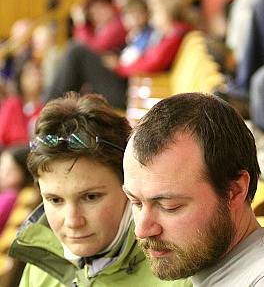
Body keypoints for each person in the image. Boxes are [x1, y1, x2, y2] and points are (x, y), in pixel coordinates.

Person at [122, 92, 264, 286]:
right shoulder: (206, 264)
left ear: (235, 191)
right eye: (135, 202)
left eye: (169, 206)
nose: (142, 229)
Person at [9, 92, 191, 287]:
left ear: (129, 189)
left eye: (91, 197)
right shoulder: (40, 266)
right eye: (55, 200)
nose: (73, 221)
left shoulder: (179, 274)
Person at [0, 145, 33, 233]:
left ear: (25, 174)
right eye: (2, 168)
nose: (3, 175)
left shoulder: (10, 197)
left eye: (10, 171)